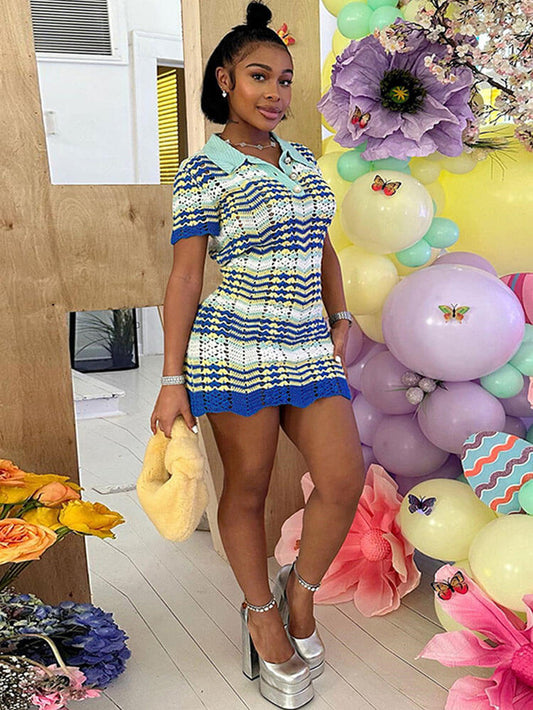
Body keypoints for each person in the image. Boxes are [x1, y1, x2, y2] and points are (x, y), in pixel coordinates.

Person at [150, 2, 364, 707]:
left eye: (285, 79)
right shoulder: (202, 170)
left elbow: (322, 246)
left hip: (307, 346)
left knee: (342, 480)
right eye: (259, 76)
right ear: (225, 80)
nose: (275, 92)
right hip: (234, 346)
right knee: (247, 489)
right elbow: (186, 277)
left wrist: (339, 314)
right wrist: (171, 378)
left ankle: (299, 592)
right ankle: (263, 617)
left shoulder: (301, 160)